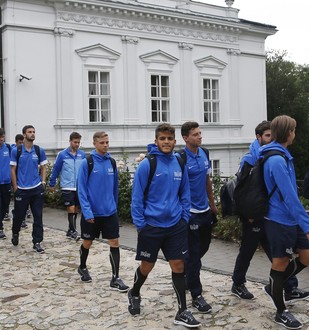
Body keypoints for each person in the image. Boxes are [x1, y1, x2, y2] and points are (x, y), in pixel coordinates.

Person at [127, 123, 200, 328]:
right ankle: (134, 292)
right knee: (147, 266)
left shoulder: (179, 162)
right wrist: (141, 225)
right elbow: (137, 198)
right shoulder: (147, 165)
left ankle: (182, 311)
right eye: (162, 139)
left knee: (178, 266)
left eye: (169, 139)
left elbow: (185, 193)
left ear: (175, 141)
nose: (166, 142)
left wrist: (184, 217)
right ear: (156, 140)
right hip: (151, 226)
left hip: (176, 225)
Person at [231, 121, 309, 303]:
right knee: (247, 250)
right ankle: (238, 283)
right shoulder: (250, 159)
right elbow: (242, 189)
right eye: (267, 136)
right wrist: (247, 214)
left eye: (272, 135)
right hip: (254, 215)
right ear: (258, 137)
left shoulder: (273, 155)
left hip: (270, 215)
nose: (271, 138)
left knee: (279, 257)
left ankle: (289, 287)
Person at [260, 115, 309, 329]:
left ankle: (274, 286)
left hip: (290, 218)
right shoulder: (276, 159)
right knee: (280, 263)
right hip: (278, 219)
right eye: (294, 129)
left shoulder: (283, 155)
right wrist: (308, 225)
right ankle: (280, 311)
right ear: (288, 132)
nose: (295, 133)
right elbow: (289, 196)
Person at [76, 131, 128, 291]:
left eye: (107, 142)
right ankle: (82, 267)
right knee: (87, 242)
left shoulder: (112, 162)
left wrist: (115, 208)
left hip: (109, 212)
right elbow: (81, 190)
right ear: (95, 144)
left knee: (114, 242)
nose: (105, 145)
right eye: (102, 143)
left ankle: (115, 278)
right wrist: (87, 211)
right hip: (92, 213)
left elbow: (114, 189)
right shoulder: (88, 163)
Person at [179, 121, 217, 314]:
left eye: (200, 133)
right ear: (186, 138)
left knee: (204, 247)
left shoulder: (205, 153)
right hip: (190, 213)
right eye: (195, 134)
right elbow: (177, 187)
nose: (200, 137)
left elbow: (207, 180)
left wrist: (212, 204)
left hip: (204, 212)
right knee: (194, 255)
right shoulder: (181, 158)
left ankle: (185, 270)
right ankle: (196, 295)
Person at [10, 125, 48, 253]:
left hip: (36, 188)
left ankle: (37, 242)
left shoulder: (38, 150)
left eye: (34, 132)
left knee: (38, 216)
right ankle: (15, 233)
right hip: (22, 189)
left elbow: (43, 167)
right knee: (19, 216)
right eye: (29, 132)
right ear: (24, 135)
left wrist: (43, 182)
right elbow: (12, 170)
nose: (32, 134)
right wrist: (15, 187)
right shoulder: (17, 151)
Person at [49, 132, 85, 240]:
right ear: (70, 141)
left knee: (76, 209)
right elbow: (56, 169)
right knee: (71, 207)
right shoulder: (62, 154)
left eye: (78, 142)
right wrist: (52, 183)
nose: (77, 144)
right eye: (75, 142)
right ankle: (74, 230)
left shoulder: (82, 154)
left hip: (78, 186)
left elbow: (84, 170)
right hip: (67, 185)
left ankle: (70, 230)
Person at [11, 133, 29, 226]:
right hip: (16, 180)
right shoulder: (14, 151)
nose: (21, 144)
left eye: (22, 142)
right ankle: (18, 216)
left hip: (26, 181)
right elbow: (12, 168)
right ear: (16, 142)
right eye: (19, 143)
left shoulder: (27, 151)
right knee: (18, 201)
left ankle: (23, 218)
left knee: (25, 201)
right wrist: (14, 185)